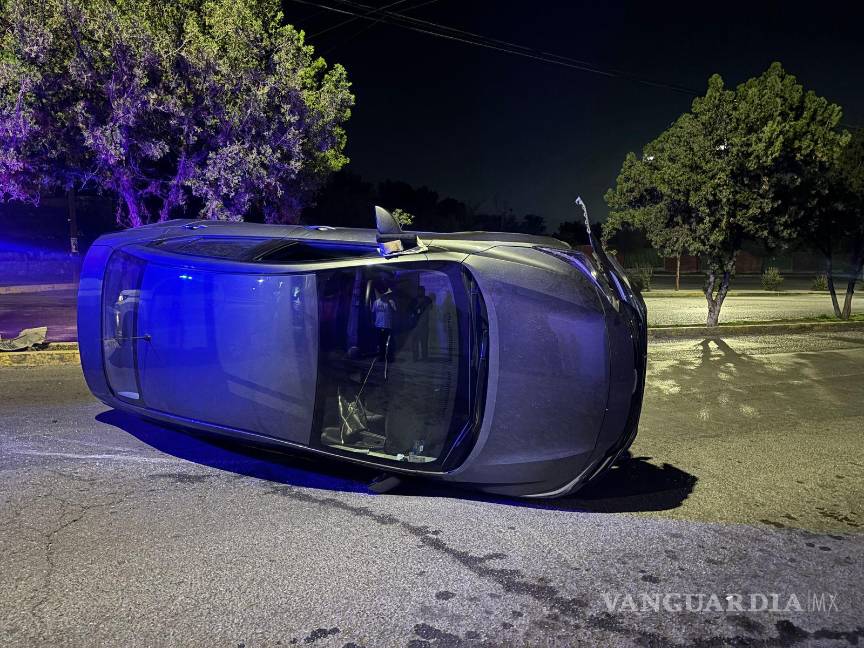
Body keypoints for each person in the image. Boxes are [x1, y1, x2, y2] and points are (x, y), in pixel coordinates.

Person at [372, 288, 397, 360]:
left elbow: (395, 312)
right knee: (380, 342)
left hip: (388, 326)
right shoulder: (376, 302)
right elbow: (373, 313)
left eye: (387, 294)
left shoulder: (391, 302)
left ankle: (389, 357)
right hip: (378, 326)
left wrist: (389, 303)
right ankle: (381, 356)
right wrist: (373, 323)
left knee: (388, 343)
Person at [411, 286, 432, 361]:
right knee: (415, 342)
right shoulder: (414, 300)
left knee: (424, 342)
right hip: (415, 325)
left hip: (424, 324)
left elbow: (431, 309)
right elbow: (410, 311)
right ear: (417, 291)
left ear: (424, 291)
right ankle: (415, 357)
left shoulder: (428, 299)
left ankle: (424, 357)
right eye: (419, 290)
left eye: (422, 290)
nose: (421, 292)